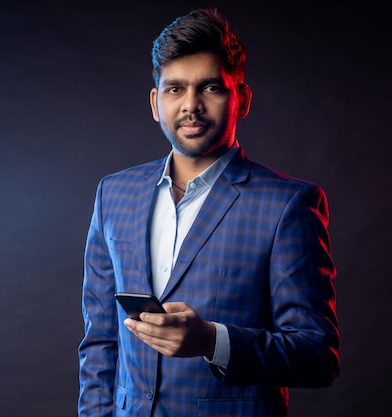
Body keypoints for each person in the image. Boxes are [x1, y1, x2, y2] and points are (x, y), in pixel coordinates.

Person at [78, 8, 340, 417]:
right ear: (154, 102)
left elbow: (318, 355)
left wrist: (212, 341)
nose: (191, 106)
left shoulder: (289, 205)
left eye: (211, 88)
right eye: (175, 89)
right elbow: (100, 342)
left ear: (243, 99)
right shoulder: (114, 193)